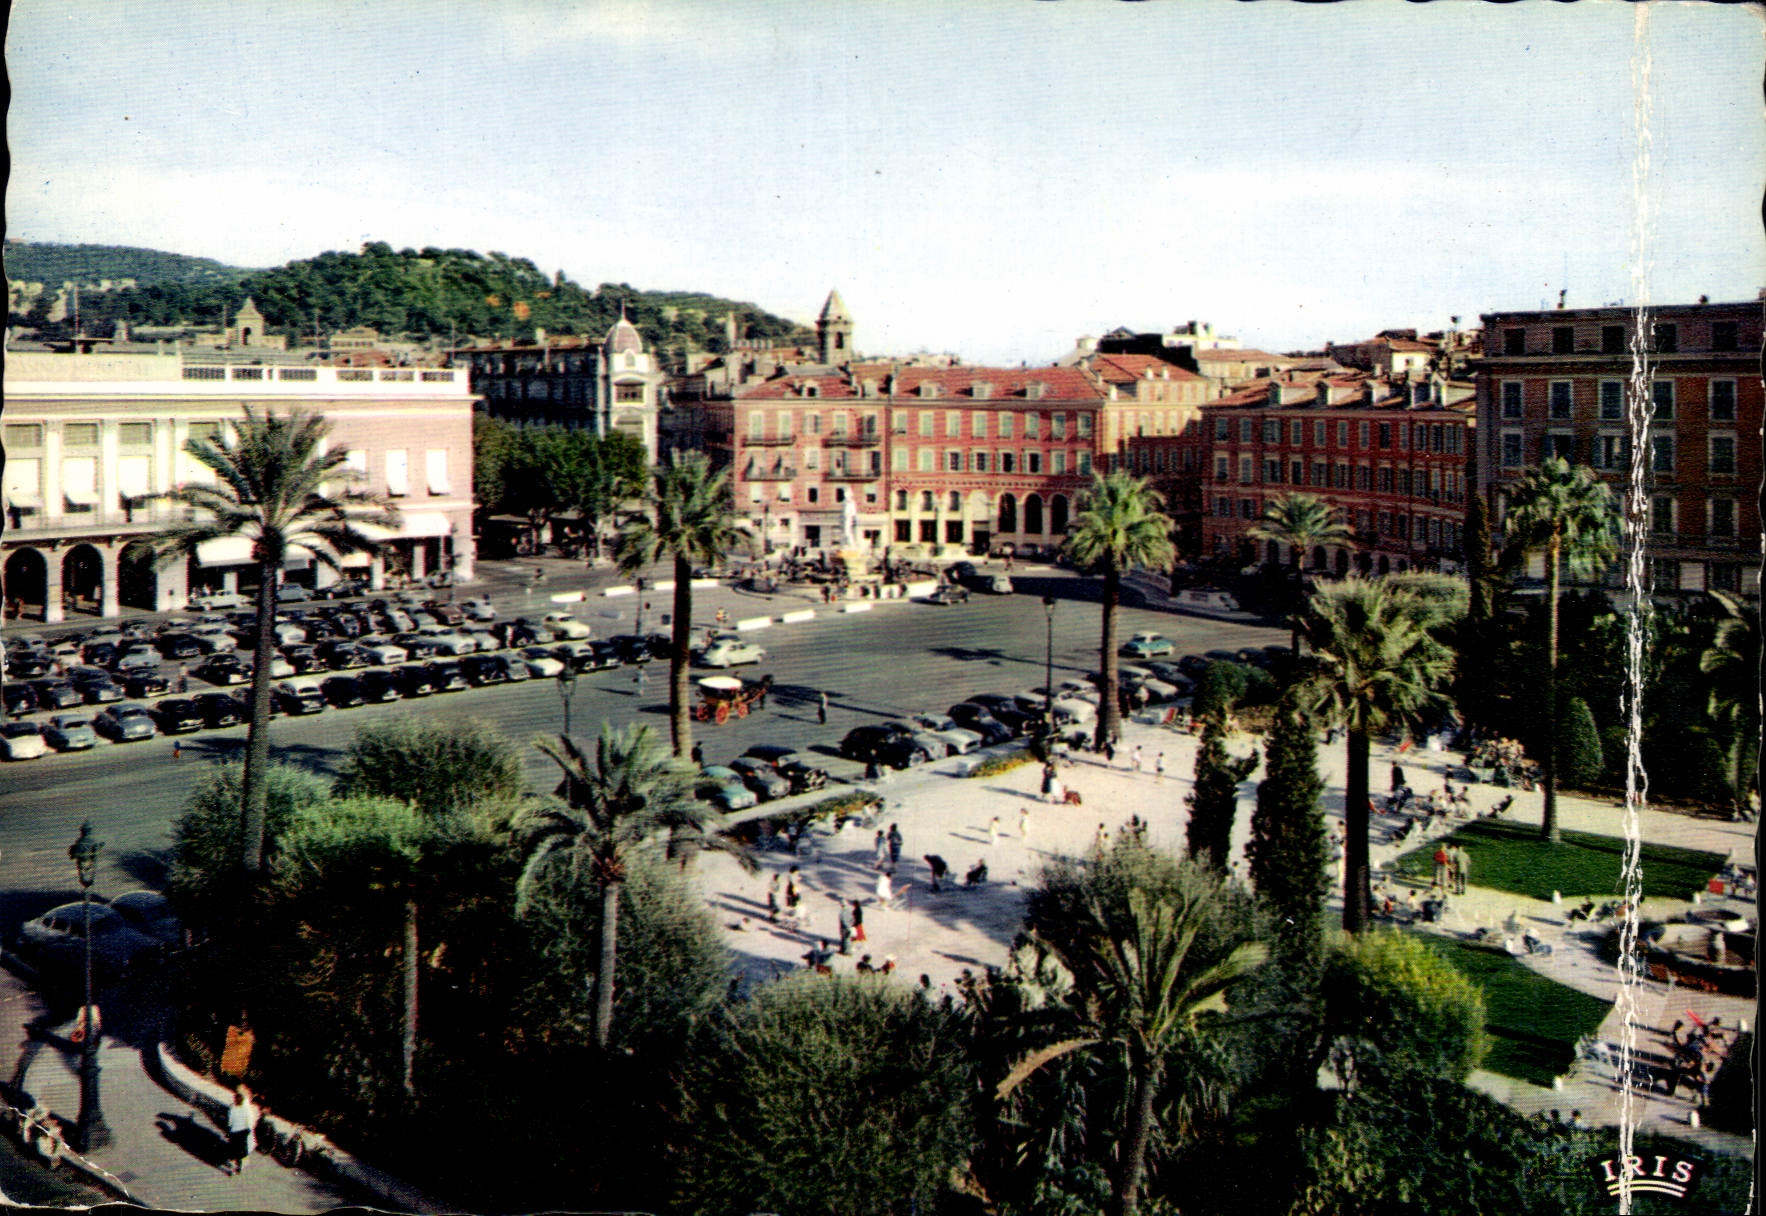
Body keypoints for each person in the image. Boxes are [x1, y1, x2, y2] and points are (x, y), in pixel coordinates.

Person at [226, 1085, 257, 1176]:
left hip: (235, 1133)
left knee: (234, 1151)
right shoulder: (247, 1109)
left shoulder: (233, 1108)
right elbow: (250, 1121)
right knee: (241, 1152)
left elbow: (230, 1121)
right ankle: (239, 1167)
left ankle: (233, 1167)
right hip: (243, 1133)